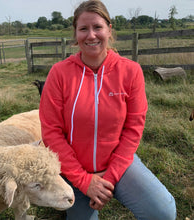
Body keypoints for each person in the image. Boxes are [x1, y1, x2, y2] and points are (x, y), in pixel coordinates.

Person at [39, 0, 177, 219]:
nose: (91, 35)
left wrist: (109, 178)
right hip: (73, 169)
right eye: (83, 29)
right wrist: (84, 181)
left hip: (119, 164)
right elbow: (51, 132)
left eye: (97, 27)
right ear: (75, 34)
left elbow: (133, 130)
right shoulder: (59, 74)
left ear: (109, 30)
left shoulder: (130, 71)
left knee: (163, 212)